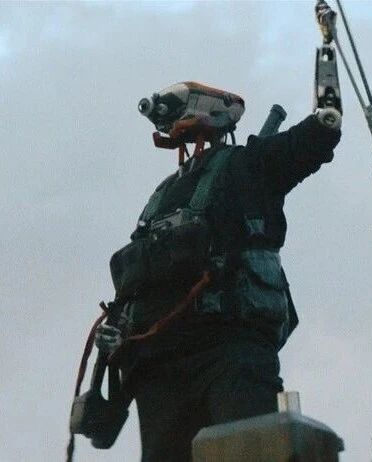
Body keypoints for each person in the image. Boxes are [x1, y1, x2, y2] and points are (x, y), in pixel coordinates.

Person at [97, 81, 342, 461]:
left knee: (249, 452)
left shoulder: (248, 165)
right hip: (158, 366)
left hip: (230, 352)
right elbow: (137, 280)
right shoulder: (162, 196)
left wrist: (327, 105)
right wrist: (121, 338)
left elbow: (310, 139)